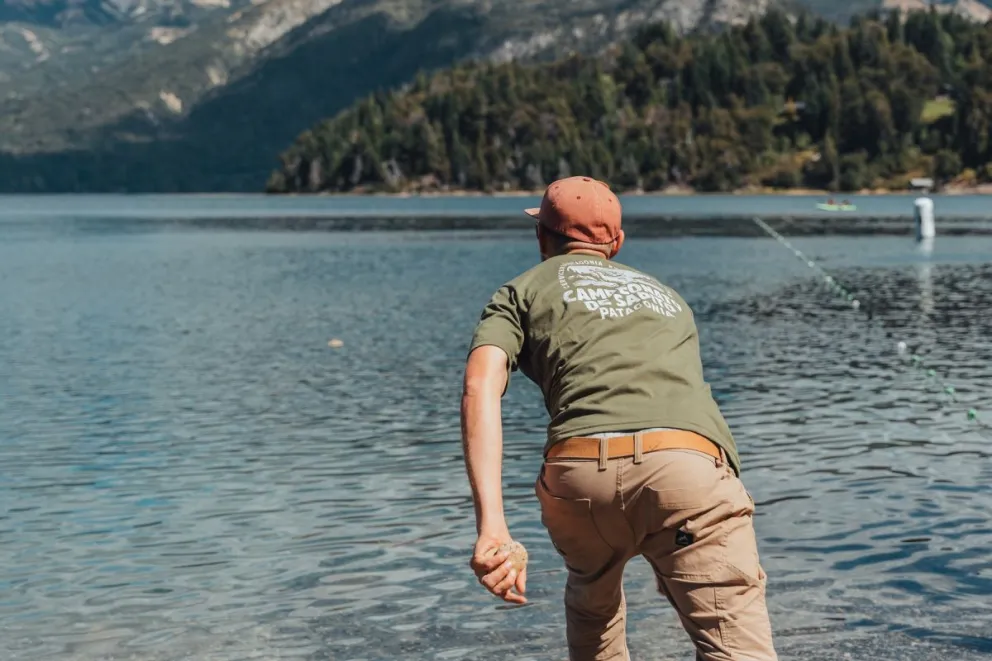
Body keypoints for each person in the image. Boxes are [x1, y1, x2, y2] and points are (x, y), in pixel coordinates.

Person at [460, 176, 777, 661]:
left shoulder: (520, 291)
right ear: (617, 243)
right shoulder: (667, 297)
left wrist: (493, 526)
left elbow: (480, 386)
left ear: (541, 237)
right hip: (687, 471)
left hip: (580, 477)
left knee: (594, 609)